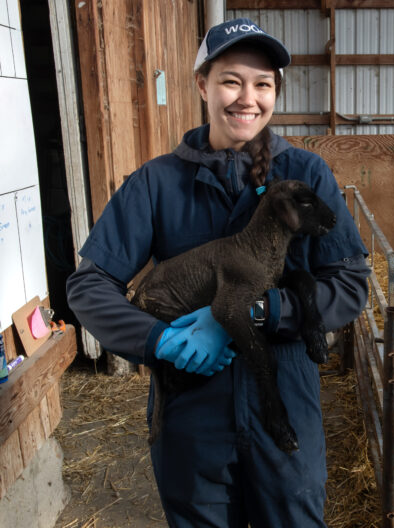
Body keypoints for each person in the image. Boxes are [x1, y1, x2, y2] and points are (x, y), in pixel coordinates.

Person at [66, 17, 370, 527]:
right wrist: (157, 339)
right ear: (202, 84)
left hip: (284, 396)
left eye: (263, 84)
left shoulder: (305, 174)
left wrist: (265, 309)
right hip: (191, 408)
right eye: (231, 80)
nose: (246, 98)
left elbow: (348, 282)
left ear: (276, 93)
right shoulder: (158, 183)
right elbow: (89, 285)